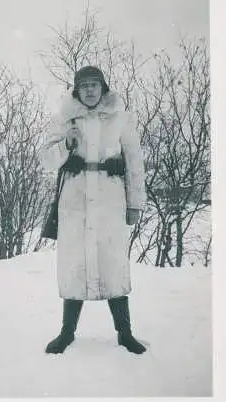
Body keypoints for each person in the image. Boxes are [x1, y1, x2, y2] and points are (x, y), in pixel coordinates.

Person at [40, 66, 147, 355]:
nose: (89, 90)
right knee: (74, 264)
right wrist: (66, 143)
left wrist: (135, 203)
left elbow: (135, 163)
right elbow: (46, 160)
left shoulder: (122, 118)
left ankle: (125, 334)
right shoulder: (64, 119)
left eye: (94, 85)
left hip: (110, 200)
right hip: (74, 202)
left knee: (113, 263)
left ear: (103, 88)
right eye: (84, 85)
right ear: (77, 90)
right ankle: (66, 333)